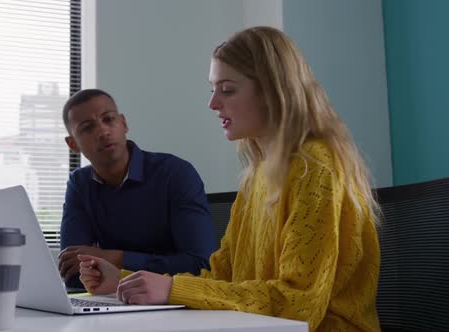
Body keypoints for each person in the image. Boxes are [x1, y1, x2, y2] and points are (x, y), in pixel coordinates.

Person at [78, 27, 381, 332]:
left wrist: (170, 289)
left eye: (227, 89)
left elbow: (297, 305)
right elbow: (222, 276)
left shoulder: (314, 167)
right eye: (213, 89)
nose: (213, 103)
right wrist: (126, 282)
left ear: (272, 90)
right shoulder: (258, 175)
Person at [59, 88, 215, 289]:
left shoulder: (176, 173)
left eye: (109, 119)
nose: (103, 131)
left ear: (123, 124)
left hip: (177, 302)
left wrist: (116, 259)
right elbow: (73, 271)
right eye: (88, 128)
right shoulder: (79, 184)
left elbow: (200, 265)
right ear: (73, 144)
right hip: (113, 302)